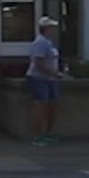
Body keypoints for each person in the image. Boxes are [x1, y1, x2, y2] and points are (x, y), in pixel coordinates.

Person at [27, 16, 63, 145]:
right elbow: (38, 62)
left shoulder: (49, 42)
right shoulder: (40, 42)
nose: (54, 30)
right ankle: (38, 135)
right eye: (52, 28)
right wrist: (54, 73)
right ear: (46, 29)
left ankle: (48, 133)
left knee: (52, 106)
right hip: (40, 78)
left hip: (50, 79)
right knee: (41, 106)